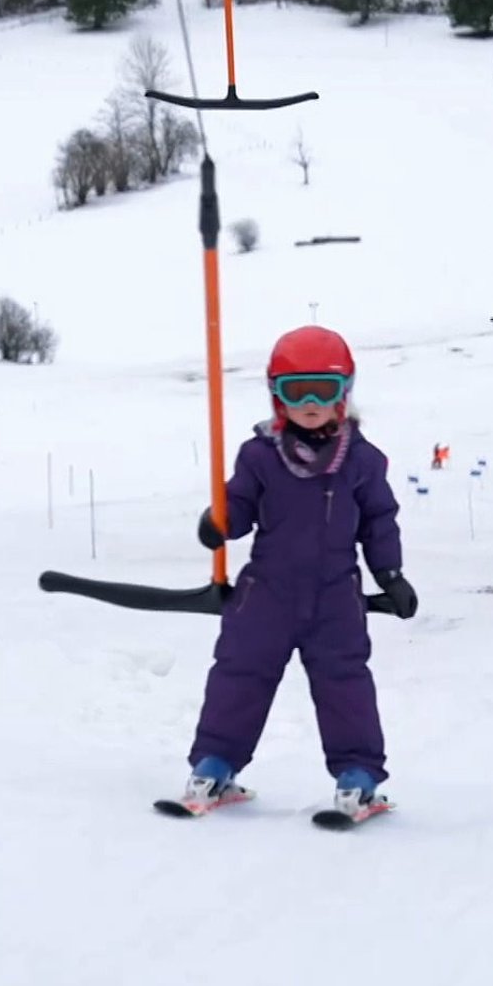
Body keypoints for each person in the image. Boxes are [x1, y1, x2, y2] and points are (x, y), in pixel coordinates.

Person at [183, 325, 417, 817]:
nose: (310, 401)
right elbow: (241, 505)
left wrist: (391, 576)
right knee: (239, 674)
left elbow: (379, 520)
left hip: (336, 596)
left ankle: (358, 773)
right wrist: (219, 522)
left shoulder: (362, 461)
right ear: (276, 396)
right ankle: (216, 762)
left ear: (344, 394)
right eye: (295, 390)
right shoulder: (259, 456)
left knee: (344, 681)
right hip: (264, 592)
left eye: (324, 390)